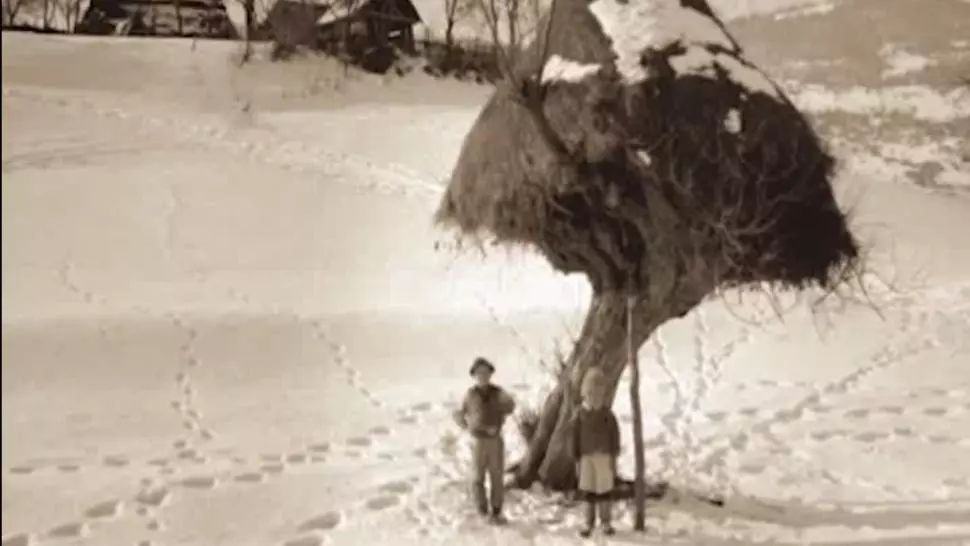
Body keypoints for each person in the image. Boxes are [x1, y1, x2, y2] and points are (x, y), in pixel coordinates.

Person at [453, 357, 516, 524]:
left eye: (486, 372)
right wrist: (465, 425)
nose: (483, 376)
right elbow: (460, 413)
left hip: (495, 439)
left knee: (496, 475)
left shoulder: (497, 392)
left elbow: (510, 407)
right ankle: (481, 509)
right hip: (477, 441)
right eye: (479, 373)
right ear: (474, 375)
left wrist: (508, 401)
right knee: (477, 476)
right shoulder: (470, 395)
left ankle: (496, 510)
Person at [571, 368, 620, 538]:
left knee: (604, 490)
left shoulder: (608, 415)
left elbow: (615, 437)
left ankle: (606, 521)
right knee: (588, 490)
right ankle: (588, 521)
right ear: (585, 393)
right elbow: (574, 437)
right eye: (591, 393)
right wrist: (576, 457)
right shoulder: (580, 415)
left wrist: (614, 456)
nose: (595, 397)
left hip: (604, 457)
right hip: (586, 457)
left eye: (599, 393)